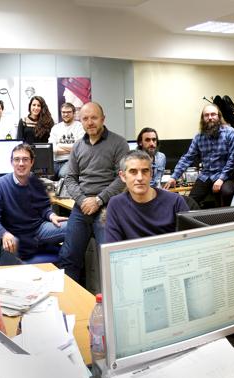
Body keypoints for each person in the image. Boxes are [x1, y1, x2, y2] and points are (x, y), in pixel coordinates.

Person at [59, 102, 128, 284]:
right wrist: (83, 201)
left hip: (108, 206)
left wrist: (98, 199)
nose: (90, 122)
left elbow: (122, 178)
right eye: (85, 118)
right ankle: (70, 302)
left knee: (109, 259)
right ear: (80, 121)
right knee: (68, 257)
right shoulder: (77, 147)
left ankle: (113, 305)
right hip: (82, 207)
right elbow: (70, 178)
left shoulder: (118, 143)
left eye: (94, 118)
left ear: (103, 119)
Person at [0, 143, 68, 261]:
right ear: (11, 162)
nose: (21, 163)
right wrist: (4, 234)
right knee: (12, 247)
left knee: (74, 227)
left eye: (25, 159)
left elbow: (44, 208)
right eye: (17, 159)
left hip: (40, 230)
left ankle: (69, 268)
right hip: (15, 234)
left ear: (32, 162)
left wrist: (51, 215)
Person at [104, 150, 189, 243]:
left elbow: (190, 242)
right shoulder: (116, 204)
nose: (140, 178)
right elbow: (113, 247)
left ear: (151, 174)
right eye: (133, 172)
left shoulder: (175, 201)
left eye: (145, 171)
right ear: (123, 176)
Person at [164, 104, 234, 208]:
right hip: (206, 175)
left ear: (219, 117)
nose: (210, 117)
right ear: (203, 118)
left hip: (226, 175)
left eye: (213, 114)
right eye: (206, 115)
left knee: (227, 192)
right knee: (189, 203)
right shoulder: (199, 137)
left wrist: (221, 179)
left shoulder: (230, 133)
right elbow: (187, 157)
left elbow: (233, 159)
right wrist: (174, 177)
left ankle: (225, 219)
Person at [48, 103, 83, 177]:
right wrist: (71, 149)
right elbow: (51, 148)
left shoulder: (80, 127)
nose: (66, 114)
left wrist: (59, 145)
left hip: (71, 160)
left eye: (68, 112)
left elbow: (80, 147)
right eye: (63, 112)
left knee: (63, 174)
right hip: (55, 161)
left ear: (74, 113)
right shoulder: (55, 127)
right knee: (48, 175)